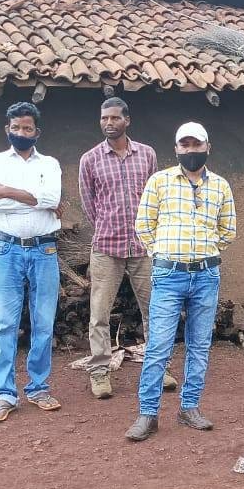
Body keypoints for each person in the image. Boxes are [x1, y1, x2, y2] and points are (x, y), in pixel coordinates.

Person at [125, 122, 237, 441]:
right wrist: (160, 251)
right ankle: (148, 414)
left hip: (206, 275)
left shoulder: (221, 186)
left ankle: (190, 408)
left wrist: (206, 251)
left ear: (207, 147)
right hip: (168, 274)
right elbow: (144, 224)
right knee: (159, 345)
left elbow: (228, 230)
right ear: (176, 149)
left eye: (196, 145)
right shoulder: (159, 182)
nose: (190, 150)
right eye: (184, 145)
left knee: (199, 345)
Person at [78, 97, 177, 399]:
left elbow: (155, 198)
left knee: (154, 310)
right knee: (99, 312)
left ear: (127, 120)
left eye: (114, 118)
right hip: (106, 247)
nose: (109, 123)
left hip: (144, 248)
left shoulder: (146, 155)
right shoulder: (90, 159)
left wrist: (151, 235)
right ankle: (99, 372)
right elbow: (88, 204)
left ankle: (159, 369)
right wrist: (108, 225)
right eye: (104, 118)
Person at [0, 102, 64, 422]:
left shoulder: (51, 163)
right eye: (16, 128)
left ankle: (38, 387)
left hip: (45, 251)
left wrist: (10, 191)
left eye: (27, 128)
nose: (21, 133)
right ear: (8, 129)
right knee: (4, 322)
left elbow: (54, 199)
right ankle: (5, 394)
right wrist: (37, 199)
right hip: (8, 250)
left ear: (37, 132)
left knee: (43, 321)